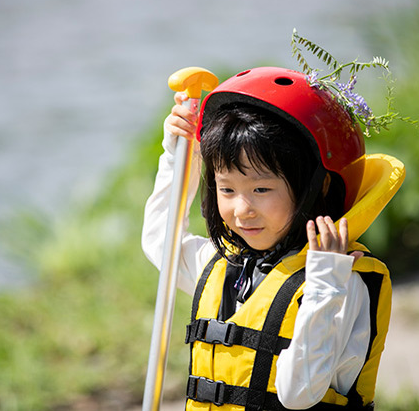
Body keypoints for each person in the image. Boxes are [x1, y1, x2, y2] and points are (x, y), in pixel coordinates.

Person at [142, 67, 404, 410]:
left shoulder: (341, 280)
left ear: (316, 187)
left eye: (261, 189)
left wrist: (325, 284)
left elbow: (298, 393)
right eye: (227, 189)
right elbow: (159, 239)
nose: (242, 209)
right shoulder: (226, 267)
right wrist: (181, 155)